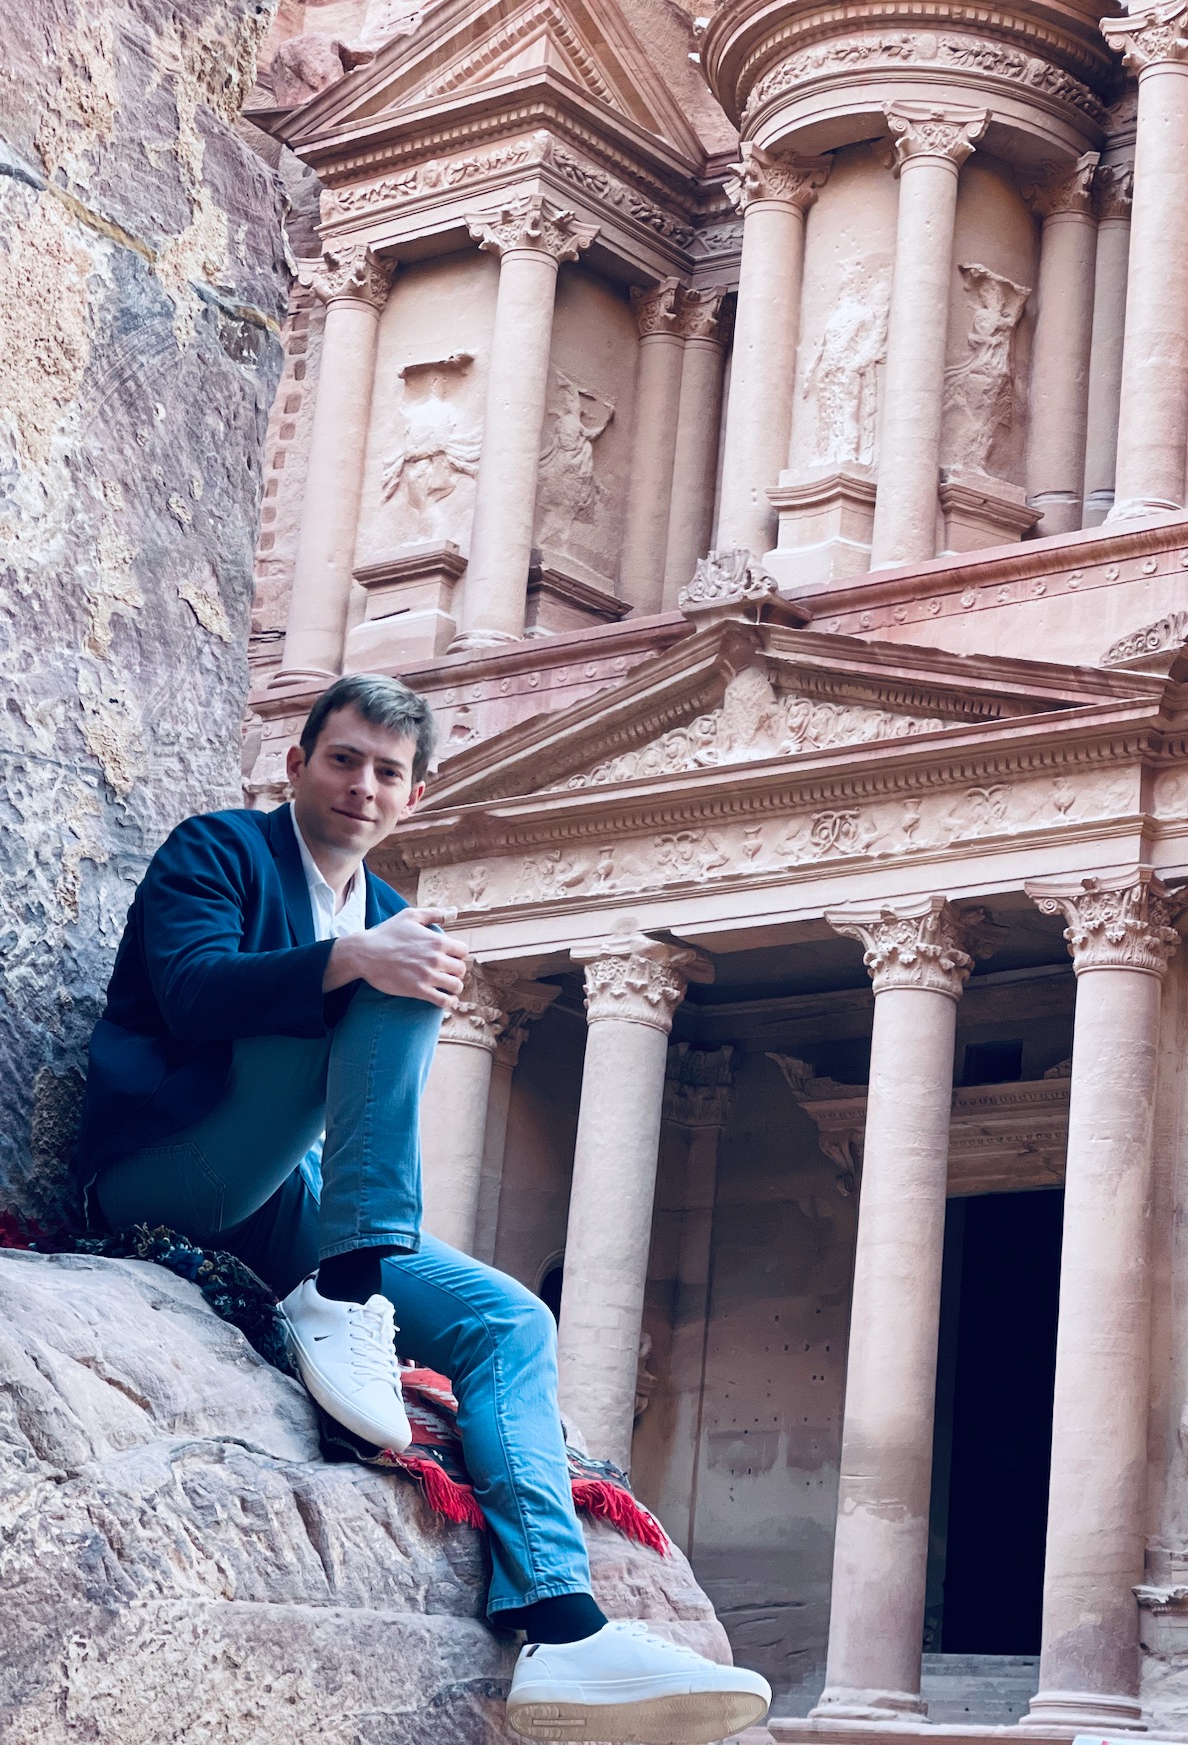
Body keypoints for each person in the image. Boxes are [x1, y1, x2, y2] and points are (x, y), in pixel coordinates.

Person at [78, 673, 771, 1745]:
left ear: (416, 793)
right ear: (298, 762)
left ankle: (561, 1625)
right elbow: (190, 990)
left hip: (276, 1201)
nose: (363, 784)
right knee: (400, 967)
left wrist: (376, 949)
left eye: (387, 771)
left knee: (508, 1321)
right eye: (343, 757)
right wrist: (353, 959)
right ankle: (347, 1290)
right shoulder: (215, 850)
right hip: (168, 1165)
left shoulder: (388, 909)